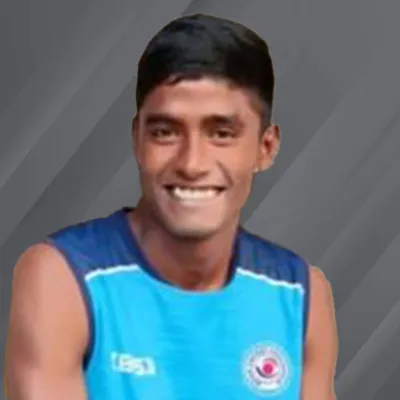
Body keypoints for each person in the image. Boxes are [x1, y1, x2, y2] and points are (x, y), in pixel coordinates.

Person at [4, 13, 337, 400]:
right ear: (137, 139)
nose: (191, 164)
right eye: (165, 132)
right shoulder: (63, 277)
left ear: (265, 148)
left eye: (221, 133)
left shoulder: (301, 295)